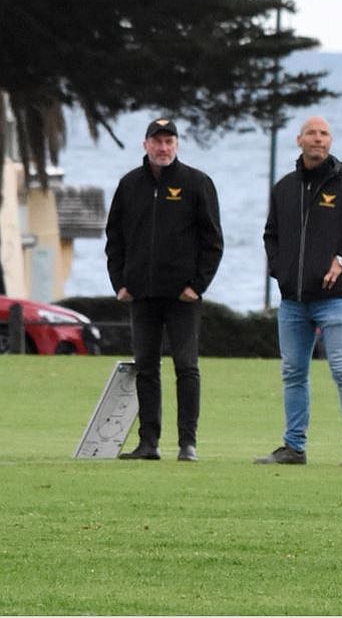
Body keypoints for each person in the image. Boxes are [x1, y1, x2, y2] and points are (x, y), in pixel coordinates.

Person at [256, 115, 342, 467]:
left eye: (324, 133)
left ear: (331, 141)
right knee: (293, 373)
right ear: (299, 140)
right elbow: (271, 234)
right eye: (311, 133)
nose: (318, 139)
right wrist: (279, 270)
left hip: (333, 301)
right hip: (293, 302)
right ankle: (293, 447)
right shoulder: (284, 188)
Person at [107, 118, 223, 462]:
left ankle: (188, 443)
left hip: (182, 296)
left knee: (186, 367)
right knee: (146, 367)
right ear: (145, 145)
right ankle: (149, 443)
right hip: (141, 294)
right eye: (157, 141)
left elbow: (212, 241)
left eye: (169, 141)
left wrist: (198, 285)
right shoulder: (129, 185)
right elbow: (115, 238)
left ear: (177, 145)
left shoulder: (196, 183)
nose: (163, 147)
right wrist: (120, 281)